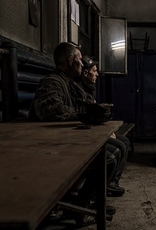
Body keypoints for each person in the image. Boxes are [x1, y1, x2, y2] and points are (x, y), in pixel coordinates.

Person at [29, 42, 115, 226]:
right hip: (50, 147)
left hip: (63, 140)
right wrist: (86, 115)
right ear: (70, 61)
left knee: (112, 152)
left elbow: (79, 105)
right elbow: (51, 111)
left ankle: (85, 203)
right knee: (107, 158)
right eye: (79, 59)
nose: (83, 65)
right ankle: (78, 208)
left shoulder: (67, 83)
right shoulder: (52, 82)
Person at [71, 55, 129, 197]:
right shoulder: (76, 89)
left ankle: (111, 183)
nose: (97, 74)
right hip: (83, 135)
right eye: (94, 70)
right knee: (117, 148)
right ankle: (101, 191)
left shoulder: (87, 89)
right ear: (85, 72)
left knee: (124, 141)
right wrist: (105, 133)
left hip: (90, 131)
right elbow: (82, 117)